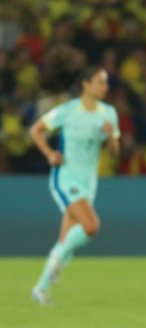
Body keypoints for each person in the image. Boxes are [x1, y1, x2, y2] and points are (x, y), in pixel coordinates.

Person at [29, 67, 120, 305]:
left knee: (65, 239)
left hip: (89, 181)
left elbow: (114, 153)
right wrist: (50, 154)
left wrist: (111, 138)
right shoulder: (68, 111)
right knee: (90, 226)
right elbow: (36, 130)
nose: (105, 86)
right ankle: (57, 263)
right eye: (100, 82)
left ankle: (41, 288)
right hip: (66, 177)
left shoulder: (108, 113)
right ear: (85, 84)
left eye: (106, 82)